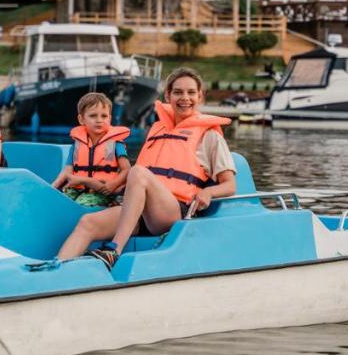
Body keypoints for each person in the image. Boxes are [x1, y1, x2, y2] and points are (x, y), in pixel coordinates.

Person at [56, 67, 235, 270]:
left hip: (171, 212)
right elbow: (139, 175)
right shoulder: (157, 129)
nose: (185, 98)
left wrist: (208, 192)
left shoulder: (210, 136)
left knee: (137, 172)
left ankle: (114, 250)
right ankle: (56, 272)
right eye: (178, 92)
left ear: (200, 96)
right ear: (167, 95)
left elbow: (230, 185)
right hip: (139, 211)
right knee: (87, 222)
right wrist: (108, 186)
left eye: (191, 92)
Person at [51, 92, 131, 208]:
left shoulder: (113, 144)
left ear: (110, 118)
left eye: (104, 116)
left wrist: (114, 184)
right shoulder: (78, 144)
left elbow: (127, 169)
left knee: (78, 205)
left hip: (101, 190)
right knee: (57, 202)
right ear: (81, 119)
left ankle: (109, 204)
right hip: (76, 188)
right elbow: (67, 170)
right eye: (93, 116)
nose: (99, 120)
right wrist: (53, 187)